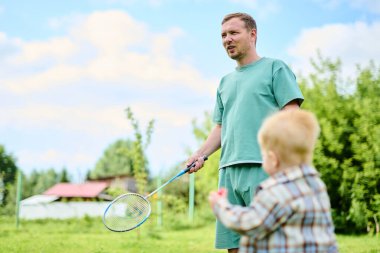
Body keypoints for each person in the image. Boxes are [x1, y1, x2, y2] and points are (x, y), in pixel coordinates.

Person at [186, 12, 304, 252]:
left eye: (233, 33)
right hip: (228, 173)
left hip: (263, 169)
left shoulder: (275, 68)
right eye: (223, 35)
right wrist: (200, 154)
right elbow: (220, 127)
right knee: (234, 246)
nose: (227, 39)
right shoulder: (224, 82)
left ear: (252, 35)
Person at [208, 109, 338, 253]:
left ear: (274, 159)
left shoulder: (275, 192)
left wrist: (221, 206)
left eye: (263, 155)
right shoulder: (316, 185)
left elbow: (250, 223)